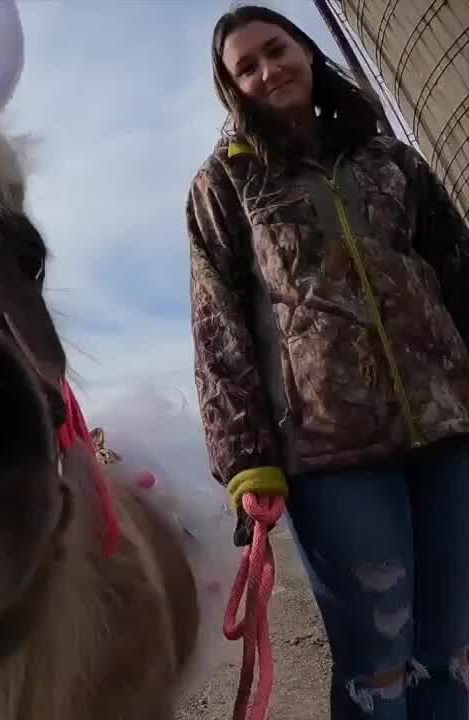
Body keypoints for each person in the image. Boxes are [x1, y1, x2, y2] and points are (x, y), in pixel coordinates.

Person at [185, 4, 469, 719]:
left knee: (455, 655)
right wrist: (246, 458)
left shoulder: (391, 158)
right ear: (232, 90)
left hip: (447, 430)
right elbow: (216, 328)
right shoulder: (226, 184)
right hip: (334, 457)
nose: (265, 70)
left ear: (306, 52)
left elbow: (458, 274)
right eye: (243, 68)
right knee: (377, 667)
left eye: (274, 50)